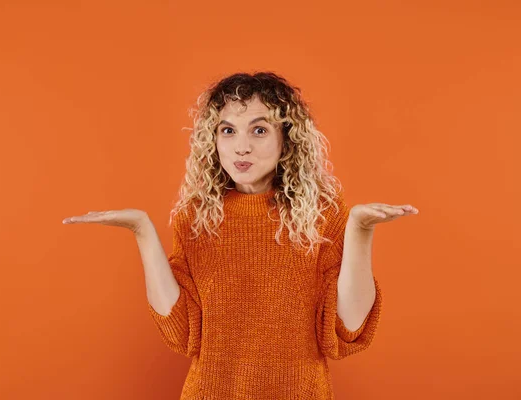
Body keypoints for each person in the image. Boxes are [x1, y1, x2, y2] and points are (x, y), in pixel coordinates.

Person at [62, 71, 419, 399]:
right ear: (212, 139)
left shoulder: (324, 215)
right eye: (227, 130)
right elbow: (183, 333)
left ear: (287, 140)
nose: (241, 147)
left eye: (259, 130)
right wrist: (142, 231)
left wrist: (360, 230)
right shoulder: (196, 218)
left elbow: (348, 329)